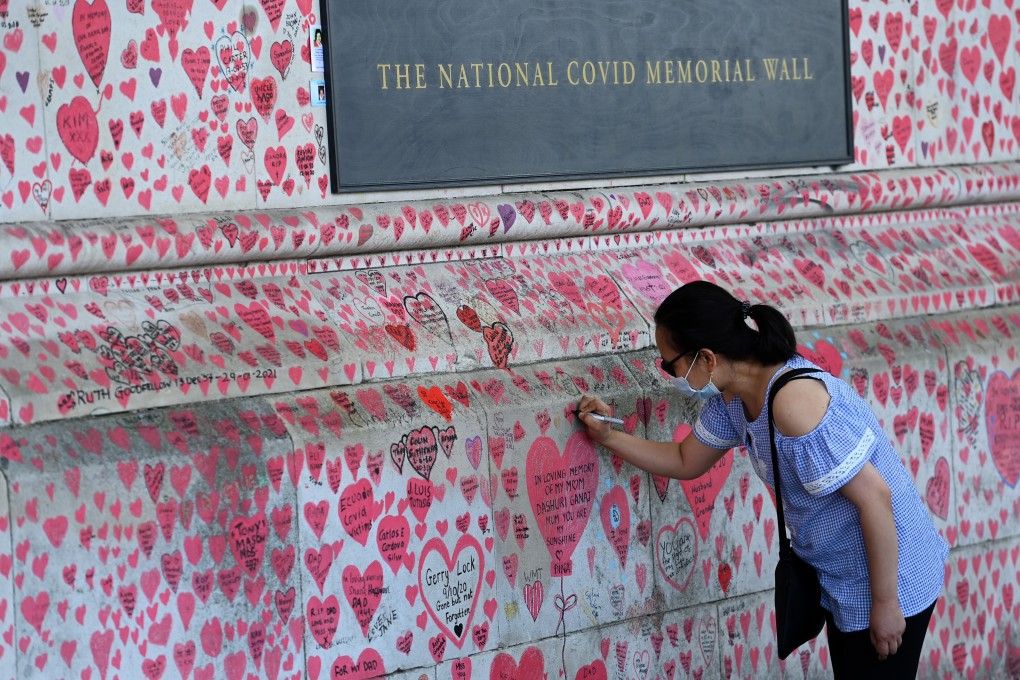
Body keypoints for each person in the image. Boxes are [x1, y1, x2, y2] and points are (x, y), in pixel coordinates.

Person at [576, 280, 947, 678]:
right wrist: (608, 435)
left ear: (706, 358)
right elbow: (685, 459)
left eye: (671, 365)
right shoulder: (735, 399)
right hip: (845, 578)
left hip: (888, 577)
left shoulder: (792, 405)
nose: (670, 375)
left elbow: (876, 498)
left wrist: (886, 604)